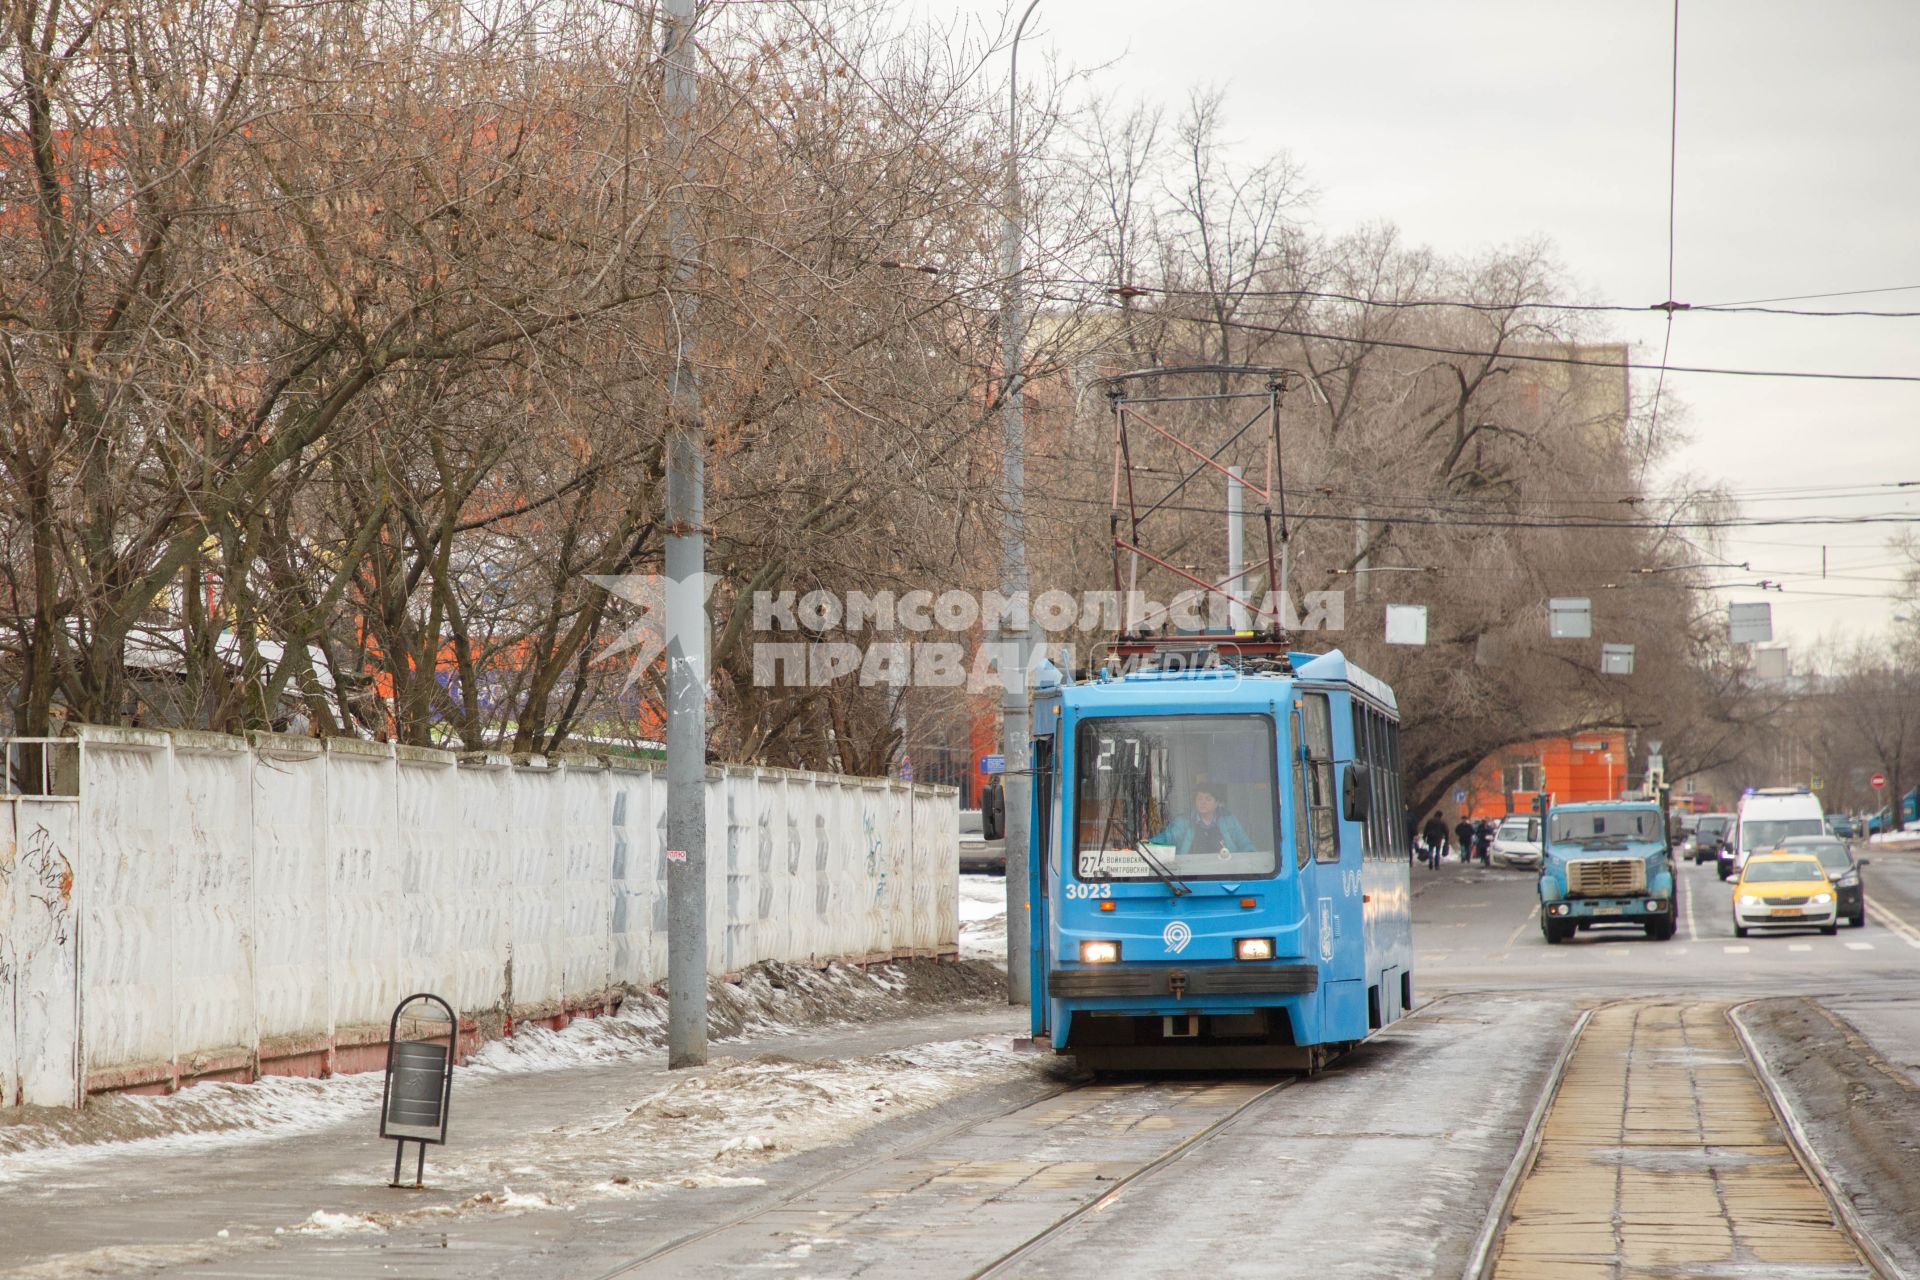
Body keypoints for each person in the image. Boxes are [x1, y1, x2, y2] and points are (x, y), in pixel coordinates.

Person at [1153, 785, 1254, 856]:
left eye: (1208, 799)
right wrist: (1146, 846)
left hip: (1225, 871)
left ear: (1217, 803)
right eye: (1199, 799)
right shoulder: (1183, 822)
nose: (1203, 802)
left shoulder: (1229, 821)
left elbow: (1245, 845)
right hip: (1191, 875)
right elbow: (1166, 839)